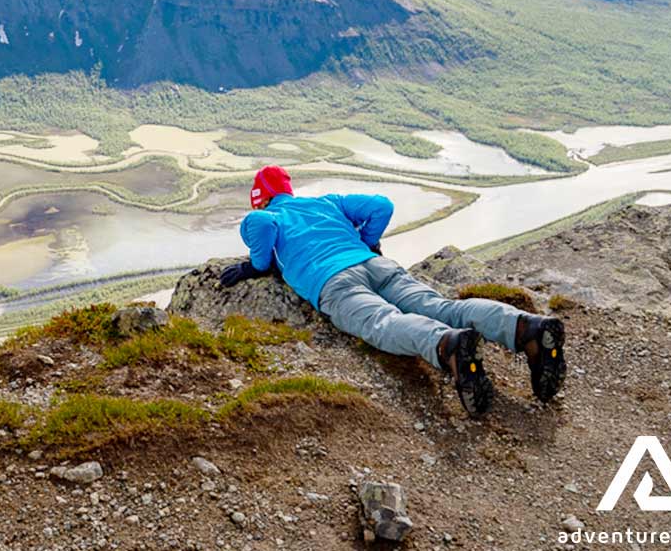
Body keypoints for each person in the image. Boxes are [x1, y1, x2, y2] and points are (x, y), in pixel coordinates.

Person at [219, 165, 565, 415]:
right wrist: (367, 244)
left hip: (334, 282)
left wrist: (256, 266)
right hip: (376, 266)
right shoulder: (327, 202)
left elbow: (262, 225)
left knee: (383, 323)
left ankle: (446, 345)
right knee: (442, 307)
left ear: (259, 199)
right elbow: (381, 205)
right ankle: (525, 327)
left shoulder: (265, 217)